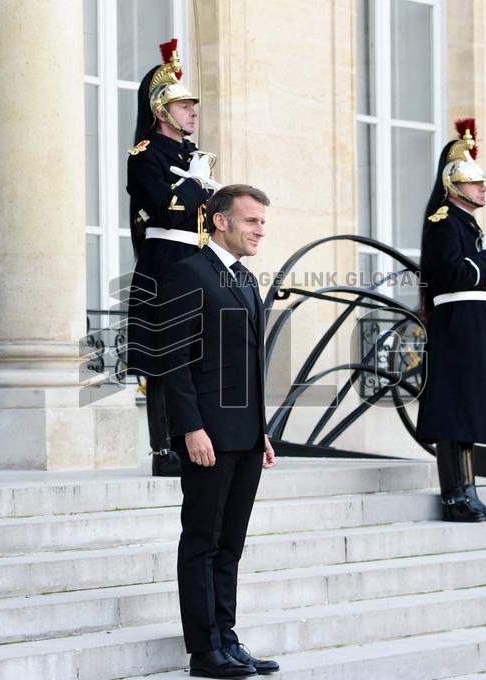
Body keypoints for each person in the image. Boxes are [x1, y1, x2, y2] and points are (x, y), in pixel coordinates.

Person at [161, 185, 278, 678]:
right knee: (203, 541)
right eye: (251, 221)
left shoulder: (247, 279)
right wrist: (190, 428)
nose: (260, 230)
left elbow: (248, 363)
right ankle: (204, 651)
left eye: (262, 223)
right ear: (221, 222)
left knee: (231, 545)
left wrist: (261, 431)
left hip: (245, 436)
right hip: (206, 434)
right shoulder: (187, 274)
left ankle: (226, 639)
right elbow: (173, 361)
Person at [126, 38, 219, 478]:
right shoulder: (145, 156)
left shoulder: (193, 157)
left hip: (199, 260)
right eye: (183, 106)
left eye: (192, 105)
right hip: (164, 262)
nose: (192, 112)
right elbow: (163, 208)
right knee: (166, 358)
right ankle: (164, 450)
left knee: (201, 354)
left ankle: (196, 439)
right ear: (162, 112)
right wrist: (193, 184)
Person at [415, 119, 486, 522]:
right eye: (474, 182)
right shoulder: (443, 222)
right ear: (454, 186)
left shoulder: (467, 225)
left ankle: (469, 492)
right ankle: (455, 496)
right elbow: (455, 274)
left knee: (469, 409)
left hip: (473, 326)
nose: (482, 188)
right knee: (455, 411)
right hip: (456, 326)